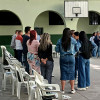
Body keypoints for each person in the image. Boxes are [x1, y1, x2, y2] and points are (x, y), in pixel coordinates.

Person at [56, 28, 78, 94]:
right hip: (71, 57)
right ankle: (72, 89)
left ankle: (62, 89)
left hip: (63, 58)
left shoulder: (60, 40)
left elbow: (57, 50)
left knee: (63, 73)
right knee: (72, 73)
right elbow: (77, 49)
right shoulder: (73, 40)